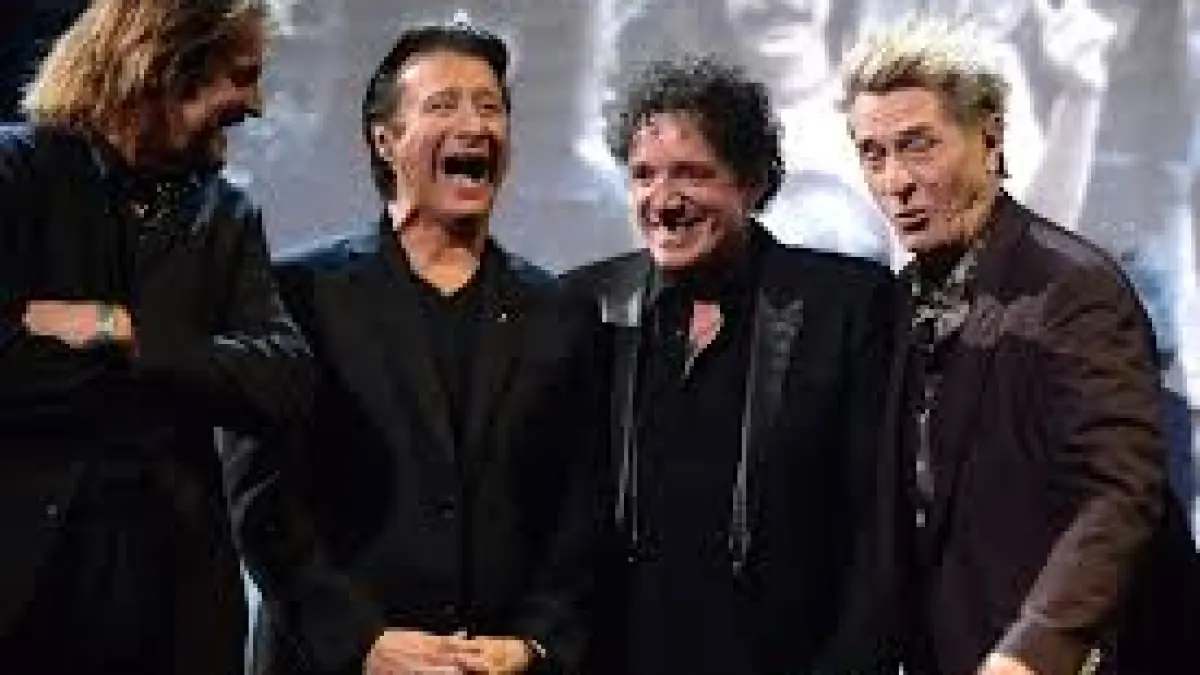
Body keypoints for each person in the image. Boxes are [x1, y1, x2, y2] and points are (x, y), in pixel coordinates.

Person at [228, 22, 606, 675]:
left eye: (490, 106)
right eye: (443, 105)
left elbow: (582, 507)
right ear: (385, 138)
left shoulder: (560, 312)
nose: (474, 125)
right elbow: (262, 501)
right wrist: (362, 642)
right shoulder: (298, 295)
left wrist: (532, 642)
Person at [841, 16, 1200, 675]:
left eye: (918, 146)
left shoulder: (1071, 287)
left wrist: (1034, 650)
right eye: (873, 154)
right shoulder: (896, 304)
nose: (896, 180)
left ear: (989, 138)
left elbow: (1119, 493)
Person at [0, 1, 313, 674]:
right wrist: (196, 369)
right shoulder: (15, 173)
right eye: (241, 75)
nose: (255, 104)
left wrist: (123, 333)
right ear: (164, 65)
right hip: (25, 593)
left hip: (174, 608)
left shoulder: (225, 215)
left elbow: (284, 377)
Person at [565, 55, 895, 675]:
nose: (663, 201)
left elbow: (878, 530)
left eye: (691, 174)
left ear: (751, 182)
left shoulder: (846, 307)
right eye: (643, 175)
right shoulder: (588, 306)